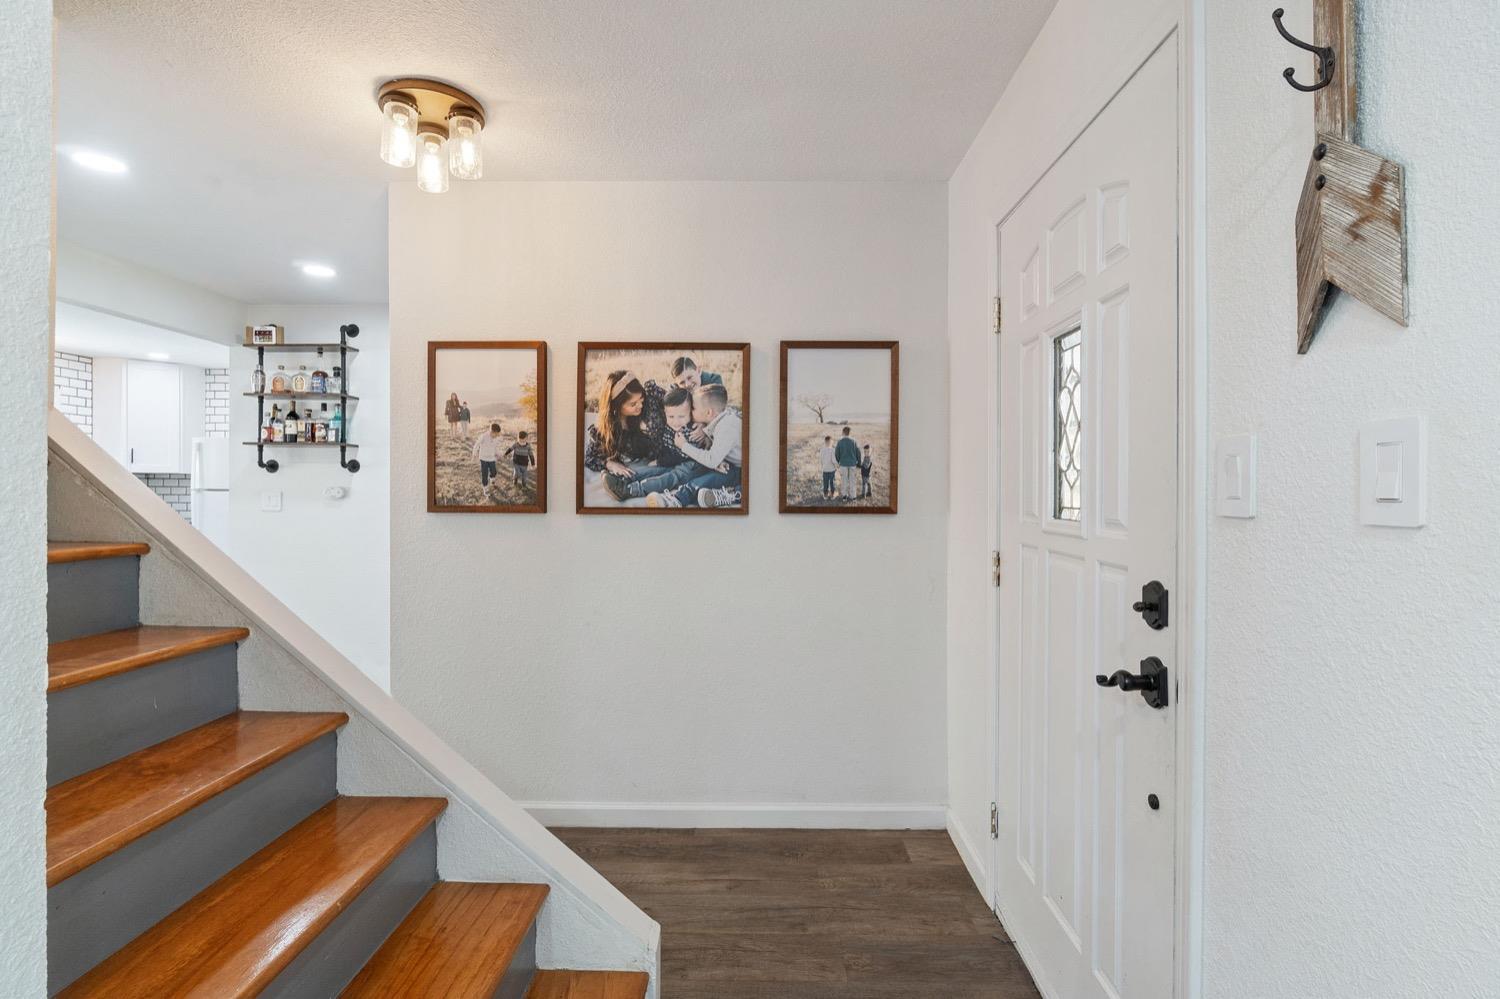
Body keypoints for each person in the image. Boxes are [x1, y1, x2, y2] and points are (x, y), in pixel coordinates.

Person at [603, 387, 709, 501]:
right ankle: (623, 478)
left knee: (670, 478)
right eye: (671, 417)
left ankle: (630, 490)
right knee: (655, 470)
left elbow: (680, 457)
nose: (676, 421)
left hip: (692, 464)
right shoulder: (671, 424)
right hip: (672, 460)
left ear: (691, 414)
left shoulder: (693, 432)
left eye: (681, 416)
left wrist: (660, 461)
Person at [582, 370, 686, 486]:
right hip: (663, 461)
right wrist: (610, 464)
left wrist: (700, 425)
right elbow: (589, 457)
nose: (640, 405)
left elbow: (680, 404)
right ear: (616, 406)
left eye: (640, 398)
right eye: (633, 404)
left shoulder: (651, 397)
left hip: (681, 445)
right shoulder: (606, 430)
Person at [647, 382, 743, 508]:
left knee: (707, 478)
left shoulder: (726, 427)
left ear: (708, 412)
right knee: (705, 473)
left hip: (743, 470)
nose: (691, 411)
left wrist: (684, 446)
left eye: (693, 408)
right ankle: (711, 495)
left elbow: (711, 460)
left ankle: (675, 500)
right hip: (732, 465)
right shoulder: (720, 419)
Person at [472, 422, 504, 492]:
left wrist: (499, 454)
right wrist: (474, 454)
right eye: (496, 434)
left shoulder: (496, 439)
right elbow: (477, 444)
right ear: (492, 432)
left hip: (492, 458)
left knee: (494, 471)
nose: (497, 436)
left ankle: (492, 479)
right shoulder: (483, 436)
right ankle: (485, 487)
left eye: (498, 434)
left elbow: (495, 448)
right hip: (483, 459)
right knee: (484, 473)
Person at [835, 425, 861, 500]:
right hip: (852, 464)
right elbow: (858, 452)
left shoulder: (840, 442)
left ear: (843, 432)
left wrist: (838, 461)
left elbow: (837, 453)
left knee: (844, 480)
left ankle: (844, 496)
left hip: (843, 464)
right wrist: (859, 463)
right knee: (852, 480)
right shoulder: (854, 441)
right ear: (850, 433)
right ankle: (853, 496)